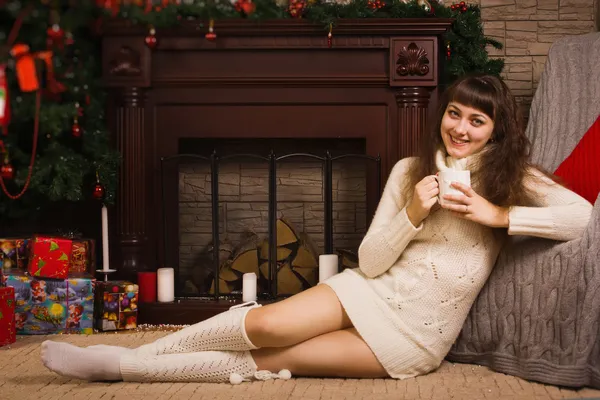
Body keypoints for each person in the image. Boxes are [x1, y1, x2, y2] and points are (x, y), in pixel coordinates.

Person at [40, 74, 593, 384]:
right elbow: (373, 260)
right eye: (454, 114)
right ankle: (128, 359)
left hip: (416, 336)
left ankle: (125, 372)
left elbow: (580, 214)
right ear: (441, 115)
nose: (461, 129)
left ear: (495, 130)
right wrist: (412, 214)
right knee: (266, 325)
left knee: (270, 360)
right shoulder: (409, 171)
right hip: (371, 289)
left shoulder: (511, 178)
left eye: (477, 120)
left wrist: (497, 216)